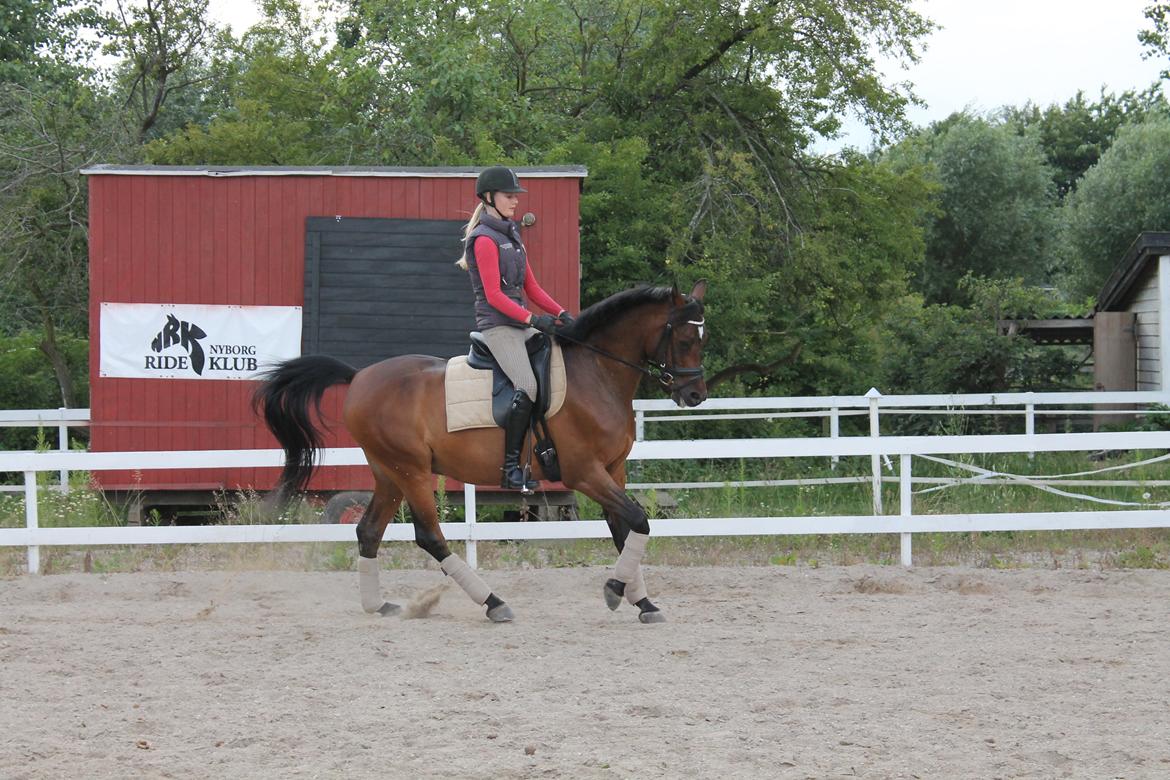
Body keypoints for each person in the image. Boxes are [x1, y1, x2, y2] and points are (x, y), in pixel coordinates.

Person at [457, 166, 574, 491]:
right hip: (498, 327)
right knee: (528, 385)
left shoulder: (511, 235)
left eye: (515, 196)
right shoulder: (483, 239)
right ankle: (510, 469)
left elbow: (532, 287)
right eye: (510, 196)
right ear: (490, 198)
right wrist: (534, 320)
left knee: (557, 367)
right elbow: (494, 295)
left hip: (519, 322)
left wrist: (562, 313)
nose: (515, 202)